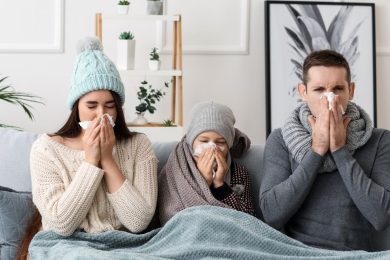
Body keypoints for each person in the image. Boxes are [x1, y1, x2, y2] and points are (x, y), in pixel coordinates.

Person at [17, 37, 158, 258]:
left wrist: (108, 159)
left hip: (124, 247)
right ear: (76, 108)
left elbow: (138, 222)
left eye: (110, 106)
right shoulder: (46, 150)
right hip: (66, 247)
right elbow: (61, 224)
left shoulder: (139, 145)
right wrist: (91, 161)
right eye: (91, 105)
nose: (101, 114)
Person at [260, 50, 390, 251]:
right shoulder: (281, 140)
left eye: (337, 89)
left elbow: (382, 217)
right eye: (319, 89)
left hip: (355, 256)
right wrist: (316, 150)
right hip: (296, 254)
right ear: (303, 91)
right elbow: (271, 214)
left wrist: (340, 149)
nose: (329, 99)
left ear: (350, 91)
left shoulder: (381, 140)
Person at [158, 101, 255, 225]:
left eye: (220, 142)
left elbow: (249, 219)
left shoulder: (240, 173)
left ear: (229, 144)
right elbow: (169, 216)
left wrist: (220, 184)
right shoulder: (177, 168)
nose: (211, 147)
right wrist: (203, 182)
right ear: (191, 142)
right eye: (204, 141)